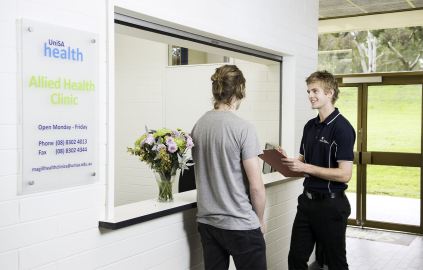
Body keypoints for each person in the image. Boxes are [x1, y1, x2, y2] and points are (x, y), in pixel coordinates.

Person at [191, 64, 267, 270]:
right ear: (240, 89)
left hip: (208, 224)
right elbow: (256, 186)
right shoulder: (244, 129)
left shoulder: (199, 126)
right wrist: (259, 220)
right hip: (241, 224)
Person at [282, 70, 355, 270]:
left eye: (315, 91)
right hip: (306, 204)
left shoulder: (342, 128)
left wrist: (305, 167)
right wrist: (285, 160)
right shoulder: (309, 126)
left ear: (330, 93)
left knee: (335, 263)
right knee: (296, 259)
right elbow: (303, 164)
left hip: (331, 206)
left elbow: (344, 174)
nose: (310, 96)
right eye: (308, 91)